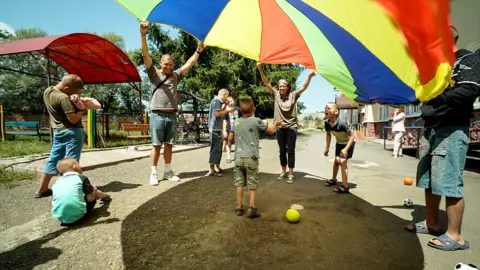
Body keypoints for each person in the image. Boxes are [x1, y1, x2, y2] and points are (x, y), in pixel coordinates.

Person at [404, 26, 480, 251]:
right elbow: (421, 94)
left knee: (448, 181)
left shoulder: (467, 59)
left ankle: (455, 236)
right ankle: (432, 222)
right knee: (429, 179)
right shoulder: (435, 68)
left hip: (453, 129)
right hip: (432, 130)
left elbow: (470, 89)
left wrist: (435, 101)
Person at [140, 21, 205, 185]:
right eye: (165, 64)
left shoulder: (175, 76)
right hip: (157, 114)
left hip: (172, 115)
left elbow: (189, 64)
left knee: (169, 145)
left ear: (172, 65)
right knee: (156, 145)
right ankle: (153, 173)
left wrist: (198, 51)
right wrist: (143, 35)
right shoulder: (154, 74)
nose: (168, 66)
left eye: (170, 64)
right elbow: (145, 55)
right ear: (161, 63)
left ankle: (168, 171)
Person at [257, 63, 316, 184]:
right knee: (282, 150)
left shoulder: (293, 95)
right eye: (280, 86)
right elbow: (266, 83)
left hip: (291, 127)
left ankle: (290, 173)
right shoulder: (276, 94)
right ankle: (283, 171)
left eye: (284, 86)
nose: (281, 88)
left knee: (291, 150)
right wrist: (260, 69)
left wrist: (309, 76)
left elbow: (303, 87)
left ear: (288, 87)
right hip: (279, 127)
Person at [229, 96, 283, 218]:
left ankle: (239, 207)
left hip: (238, 157)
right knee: (252, 183)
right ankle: (252, 208)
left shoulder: (236, 122)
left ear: (241, 110)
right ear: (253, 108)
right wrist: (276, 124)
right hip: (251, 158)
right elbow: (270, 131)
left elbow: (230, 138)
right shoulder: (256, 121)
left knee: (239, 182)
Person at [34, 74, 86, 198]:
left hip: (58, 131)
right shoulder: (63, 98)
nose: (75, 93)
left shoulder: (48, 91)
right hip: (72, 132)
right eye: (74, 91)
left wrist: (73, 97)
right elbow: (73, 119)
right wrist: (82, 110)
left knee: (53, 160)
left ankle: (42, 189)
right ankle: (70, 194)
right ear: (67, 89)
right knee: (71, 163)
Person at [52, 158, 111, 226]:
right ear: (74, 166)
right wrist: (93, 191)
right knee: (92, 190)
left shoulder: (57, 182)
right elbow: (90, 198)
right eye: (78, 164)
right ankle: (106, 196)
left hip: (62, 218)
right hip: (79, 216)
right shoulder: (81, 178)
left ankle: (104, 196)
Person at [323, 102, 356, 194]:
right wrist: (327, 148)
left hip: (349, 144)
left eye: (329, 108)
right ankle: (334, 179)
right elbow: (328, 135)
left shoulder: (342, 123)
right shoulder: (327, 123)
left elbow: (353, 136)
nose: (326, 109)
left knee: (343, 161)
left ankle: (345, 186)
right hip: (339, 144)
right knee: (336, 161)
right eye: (325, 108)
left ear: (336, 111)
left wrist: (345, 149)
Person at [206, 88, 233, 176]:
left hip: (216, 128)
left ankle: (217, 166)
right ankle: (212, 169)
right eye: (227, 96)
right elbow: (217, 114)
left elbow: (220, 111)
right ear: (224, 95)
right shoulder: (217, 101)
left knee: (218, 148)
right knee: (215, 149)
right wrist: (228, 110)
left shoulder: (216, 101)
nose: (227, 98)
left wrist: (225, 105)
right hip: (215, 128)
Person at [223, 96, 238, 163]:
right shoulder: (226, 111)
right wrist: (224, 130)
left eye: (232, 101)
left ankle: (237, 156)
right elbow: (225, 121)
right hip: (229, 129)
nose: (231, 103)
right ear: (227, 103)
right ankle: (228, 157)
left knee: (239, 143)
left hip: (238, 129)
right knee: (229, 144)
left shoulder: (238, 109)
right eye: (229, 102)